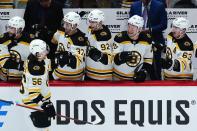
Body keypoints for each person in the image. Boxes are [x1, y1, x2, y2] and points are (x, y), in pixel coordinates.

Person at [20, 39, 56, 131]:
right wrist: (46, 105)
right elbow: (34, 95)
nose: (46, 52)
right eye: (44, 51)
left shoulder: (34, 59)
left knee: (45, 128)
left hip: (34, 101)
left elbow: (47, 63)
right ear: (38, 53)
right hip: (33, 103)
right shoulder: (36, 70)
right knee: (43, 129)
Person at [129, 0, 167, 80]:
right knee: (136, 66)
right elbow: (130, 22)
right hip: (138, 41)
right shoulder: (134, 6)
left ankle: (157, 86)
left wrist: (149, 30)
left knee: (155, 71)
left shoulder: (159, 5)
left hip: (155, 41)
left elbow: (163, 24)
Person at [113, 15, 153, 81]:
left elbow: (148, 60)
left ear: (140, 29)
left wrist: (144, 72)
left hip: (135, 78)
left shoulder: (147, 40)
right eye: (129, 26)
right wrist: (120, 57)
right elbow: (113, 59)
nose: (129, 29)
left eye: (133, 27)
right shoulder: (120, 38)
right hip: (118, 78)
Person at [51, 12, 88, 80]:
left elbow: (77, 63)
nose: (64, 26)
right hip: (58, 73)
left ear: (74, 26)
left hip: (75, 76)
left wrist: (65, 58)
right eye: (64, 23)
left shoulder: (80, 40)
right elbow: (53, 41)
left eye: (67, 24)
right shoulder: (61, 31)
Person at [0, 16, 32, 81]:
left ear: (20, 30)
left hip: (23, 79)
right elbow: (4, 63)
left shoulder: (30, 40)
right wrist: (22, 65)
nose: (9, 31)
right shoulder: (2, 39)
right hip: (4, 78)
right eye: (9, 27)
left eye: (13, 28)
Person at [86, 9, 113, 80]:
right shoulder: (92, 28)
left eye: (94, 22)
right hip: (91, 71)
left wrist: (97, 55)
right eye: (90, 21)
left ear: (100, 22)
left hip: (100, 74)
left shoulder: (102, 37)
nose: (91, 24)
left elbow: (106, 59)